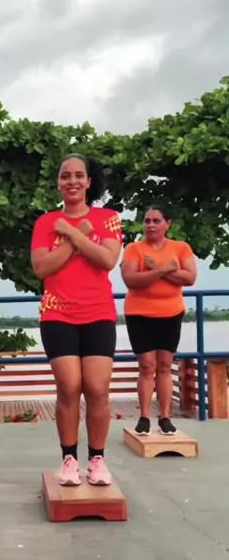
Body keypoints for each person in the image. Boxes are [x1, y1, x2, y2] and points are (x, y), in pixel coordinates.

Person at [31, 154, 123, 487]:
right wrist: (76, 238)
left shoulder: (108, 218)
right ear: (58, 183)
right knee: (69, 387)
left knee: (97, 389)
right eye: (65, 176)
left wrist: (73, 233)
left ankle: (97, 459)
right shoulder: (46, 222)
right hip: (57, 313)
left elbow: (107, 259)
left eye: (78, 175)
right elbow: (43, 267)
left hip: (98, 312)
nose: (72, 181)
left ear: (88, 182)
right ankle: (69, 459)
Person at [121, 205, 197, 435]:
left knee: (164, 366)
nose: (151, 225)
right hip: (139, 314)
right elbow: (131, 280)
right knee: (147, 366)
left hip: (171, 314)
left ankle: (165, 417)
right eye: (147, 221)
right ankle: (144, 417)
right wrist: (164, 269)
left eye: (156, 220)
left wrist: (157, 270)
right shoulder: (134, 249)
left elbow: (189, 278)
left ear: (167, 224)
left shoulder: (181, 248)